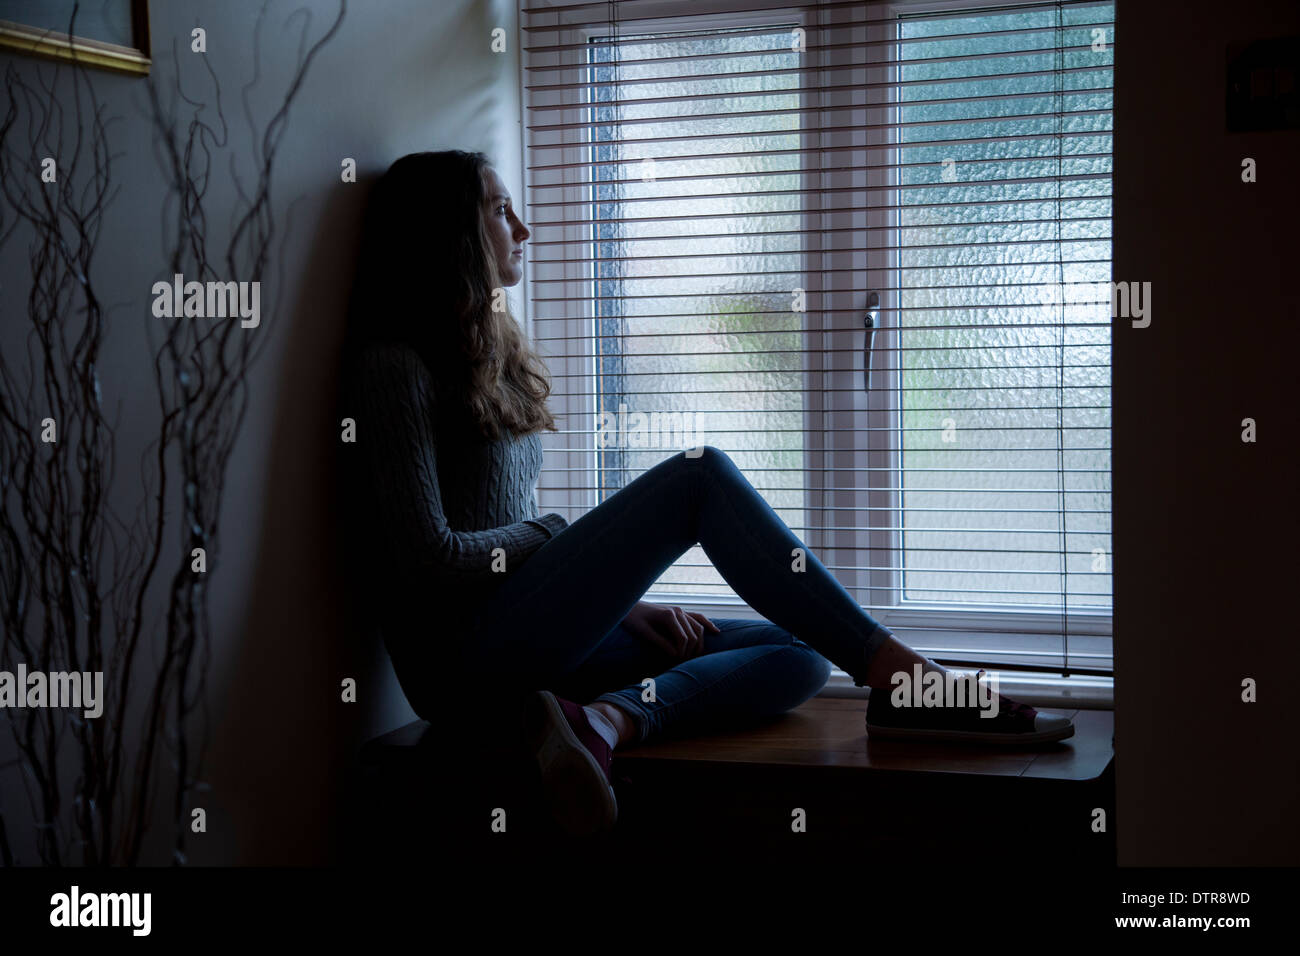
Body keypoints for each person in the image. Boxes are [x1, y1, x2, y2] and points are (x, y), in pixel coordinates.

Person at [338, 149, 1073, 838]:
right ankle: (906, 677)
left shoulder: (489, 361)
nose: (522, 227)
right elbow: (427, 559)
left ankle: (603, 725)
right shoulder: (392, 369)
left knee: (800, 647)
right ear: (451, 235)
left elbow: (506, 538)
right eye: (501, 210)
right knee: (698, 475)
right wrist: (555, 536)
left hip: (533, 658)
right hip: (464, 673)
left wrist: (621, 605)